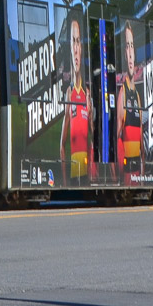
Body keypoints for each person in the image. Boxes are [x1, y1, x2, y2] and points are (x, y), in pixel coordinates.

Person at [60, 13, 92, 181]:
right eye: (73, 41)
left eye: (78, 41)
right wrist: (64, 180)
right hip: (73, 177)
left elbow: (93, 138)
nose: (76, 47)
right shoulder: (69, 94)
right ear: (70, 48)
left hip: (87, 174)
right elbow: (62, 144)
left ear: (81, 47)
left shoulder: (87, 93)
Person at [114, 21, 144, 172]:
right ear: (125, 55)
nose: (130, 52)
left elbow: (140, 137)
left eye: (132, 45)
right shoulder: (122, 94)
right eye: (127, 46)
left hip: (138, 169)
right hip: (127, 171)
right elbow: (116, 137)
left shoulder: (137, 96)